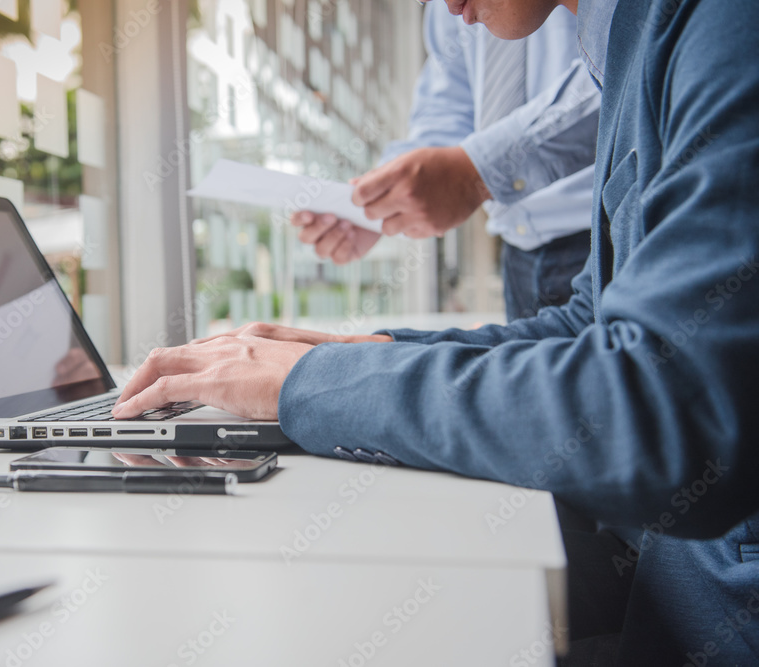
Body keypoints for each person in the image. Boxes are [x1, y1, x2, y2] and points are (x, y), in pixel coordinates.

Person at [114, 0, 759, 662]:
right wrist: (353, 355)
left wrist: (317, 383)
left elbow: (662, 411)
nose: (446, 8)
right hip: (671, 566)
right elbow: (582, 326)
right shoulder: (627, 39)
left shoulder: (719, 26)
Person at [294, 3, 601, 321]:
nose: (452, 7)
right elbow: (447, 107)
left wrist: (476, 171)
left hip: (603, 230)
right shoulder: (451, 10)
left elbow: (619, 74)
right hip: (520, 252)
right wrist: (382, 200)